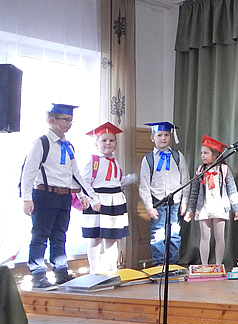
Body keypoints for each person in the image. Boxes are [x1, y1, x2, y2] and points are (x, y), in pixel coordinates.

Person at [20, 104, 98, 289]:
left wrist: (82, 194)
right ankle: (38, 274)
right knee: (40, 235)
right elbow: (29, 172)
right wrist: (26, 198)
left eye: (71, 120)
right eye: (65, 119)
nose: (69, 123)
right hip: (44, 194)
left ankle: (61, 271)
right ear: (52, 121)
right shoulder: (42, 143)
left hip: (64, 197)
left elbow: (74, 174)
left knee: (59, 235)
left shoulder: (68, 146)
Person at [81, 122, 137, 274]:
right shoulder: (93, 160)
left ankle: (112, 269)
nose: (108, 143)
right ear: (96, 144)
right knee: (95, 238)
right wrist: (93, 200)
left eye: (111, 140)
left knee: (112, 238)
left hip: (115, 201)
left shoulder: (115, 161)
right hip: (98, 201)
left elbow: (114, 181)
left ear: (116, 144)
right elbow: (84, 182)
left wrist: (128, 179)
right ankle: (94, 270)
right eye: (104, 140)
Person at [185, 135, 238, 265]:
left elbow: (232, 189)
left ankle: (218, 264)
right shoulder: (200, 170)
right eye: (201, 153)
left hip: (220, 207)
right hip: (204, 207)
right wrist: (190, 209)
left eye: (206, 153)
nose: (202, 156)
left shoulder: (224, 169)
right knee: (205, 237)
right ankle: (204, 265)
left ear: (215, 155)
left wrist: (236, 207)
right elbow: (194, 192)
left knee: (219, 237)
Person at [139, 121, 188, 266]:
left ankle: (173, 264)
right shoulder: (148, 159)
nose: (163, 138)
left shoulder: (178, 156)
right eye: (159, 135)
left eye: (166, 135)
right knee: (157, 233)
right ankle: (159, 264)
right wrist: (149, 206)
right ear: (152, 138)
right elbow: (144, 185)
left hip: (175, 201)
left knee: (174, 234)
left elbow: (185, 180)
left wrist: (184, 201)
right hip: (158, 201)